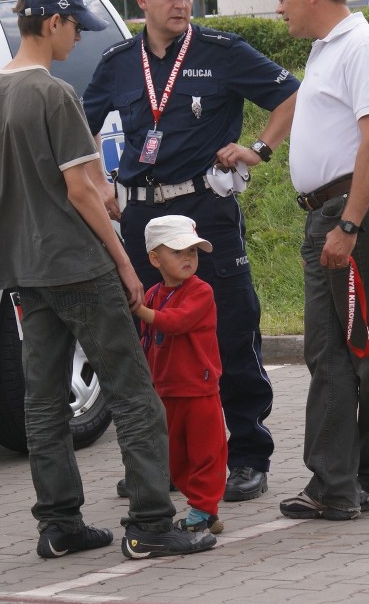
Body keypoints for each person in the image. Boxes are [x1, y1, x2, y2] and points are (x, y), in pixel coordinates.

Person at [0, 0, 216, 560]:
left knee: (44, 400)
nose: (78, 36)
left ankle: (59, 524)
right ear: (52, 23)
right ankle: (151, 523)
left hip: (22, 267)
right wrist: (126, 264)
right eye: (75, 25)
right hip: (76, 264)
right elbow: (83, 189)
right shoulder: (52, 93)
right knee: (134, 394)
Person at [82, 0, 299, 502]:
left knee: (228, 328)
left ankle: (247, 454)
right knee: (147, 338)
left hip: (202, 210)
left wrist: (259, 148)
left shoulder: (222, 53)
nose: (181, 4)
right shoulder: (119, 62)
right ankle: (158, 463)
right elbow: (76, 129)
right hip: (140, 217)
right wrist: (99, 184)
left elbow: (292, 96)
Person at [275, 0, 369, 520]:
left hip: (352, 213)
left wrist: (351, 224)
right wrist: (259, 150)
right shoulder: (325, 50)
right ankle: (334, 483)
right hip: (326, 214)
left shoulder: (363, 46)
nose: (277, 7)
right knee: (327, 352)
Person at [136, 215, 227, 535]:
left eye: (193, 251)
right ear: (155, 259)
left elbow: (175, 322)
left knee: (206, 452)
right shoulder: (152, 295)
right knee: (176, 457)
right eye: (178, 252)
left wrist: (138, 310)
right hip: (168, 388)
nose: (188, 258)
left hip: (199, 387)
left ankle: (203, 507)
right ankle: (204, 506)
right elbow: (147, 341)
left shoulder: (200, 291)